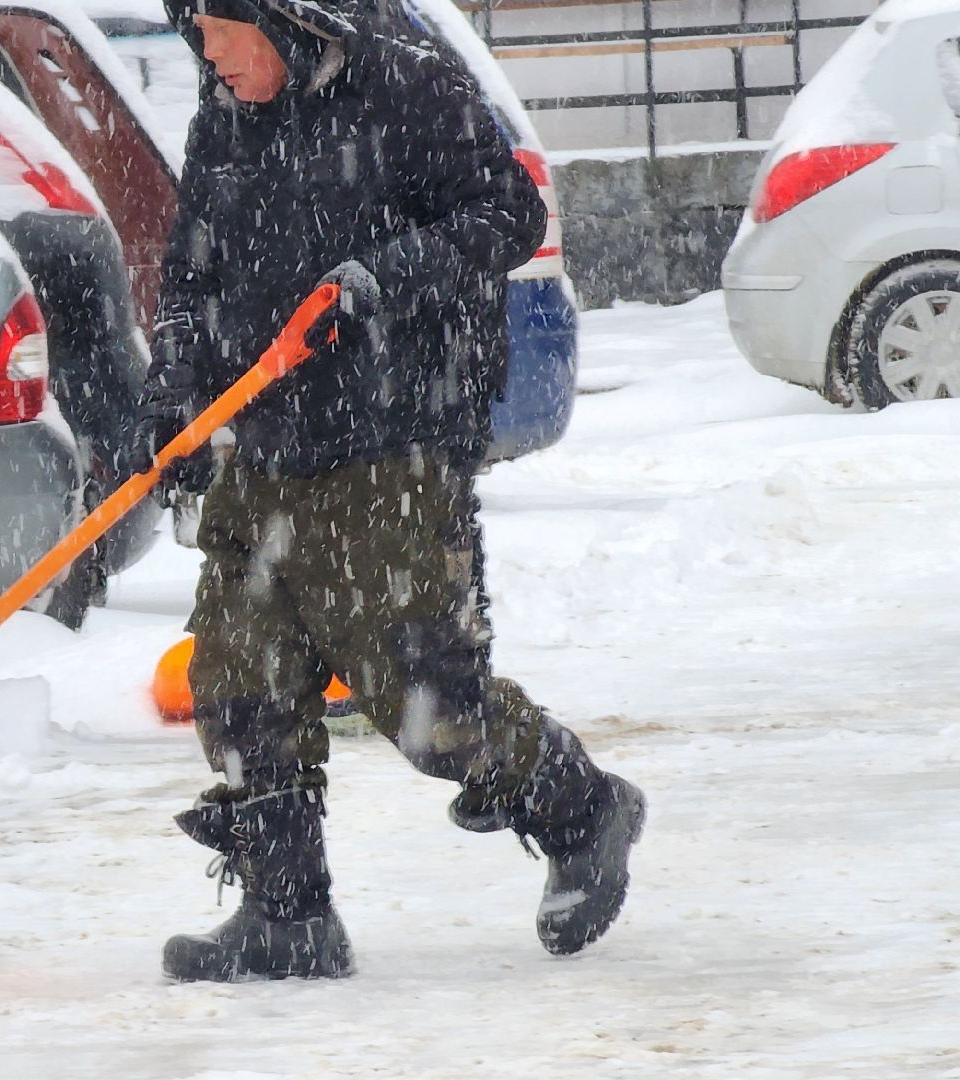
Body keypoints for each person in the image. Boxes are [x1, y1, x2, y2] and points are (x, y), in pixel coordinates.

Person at [126, 0, 647, 982]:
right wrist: (170, 397)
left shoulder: (405, 85)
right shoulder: (224, 118)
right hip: (263, 441)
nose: (207, 55)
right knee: (240, 684)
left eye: (218, 28)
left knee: (421, 701)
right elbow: (189, 281)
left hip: (392, 437)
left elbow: (507, 212)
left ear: (279, 16)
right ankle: (286, 916)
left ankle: (581, 809)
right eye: (191, 32)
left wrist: (382, 278)